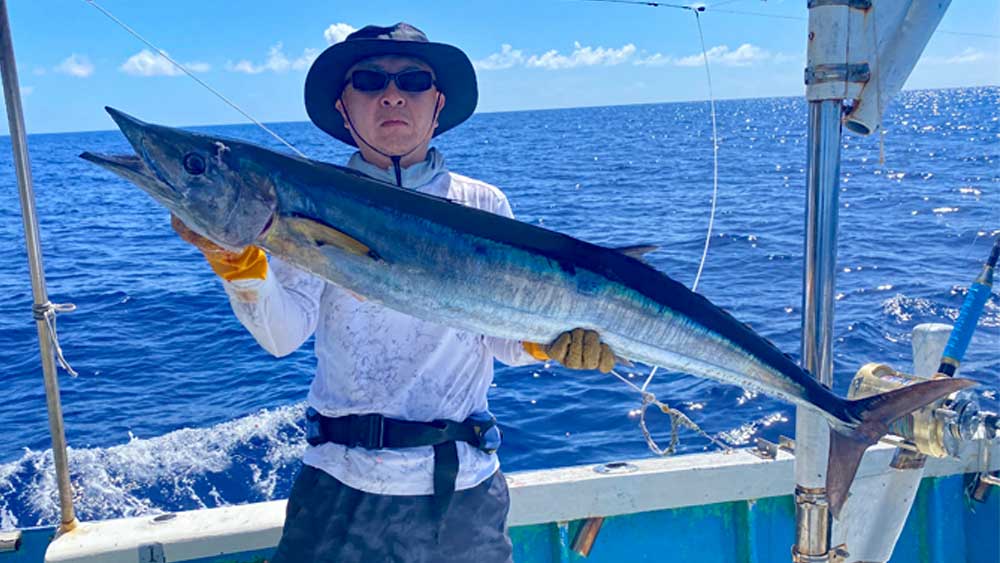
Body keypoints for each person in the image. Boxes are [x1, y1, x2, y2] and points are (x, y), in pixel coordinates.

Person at [173, 22, 616, 563]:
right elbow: (282, 335)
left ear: (437, 104)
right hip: (339, 484)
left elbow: (498, 340)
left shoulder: (483, 204)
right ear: (343, 106)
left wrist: (548, 344)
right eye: (367, 80)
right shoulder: (307, 199)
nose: (391, 94)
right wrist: (235, 262)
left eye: (412, 80)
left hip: (462, 491)